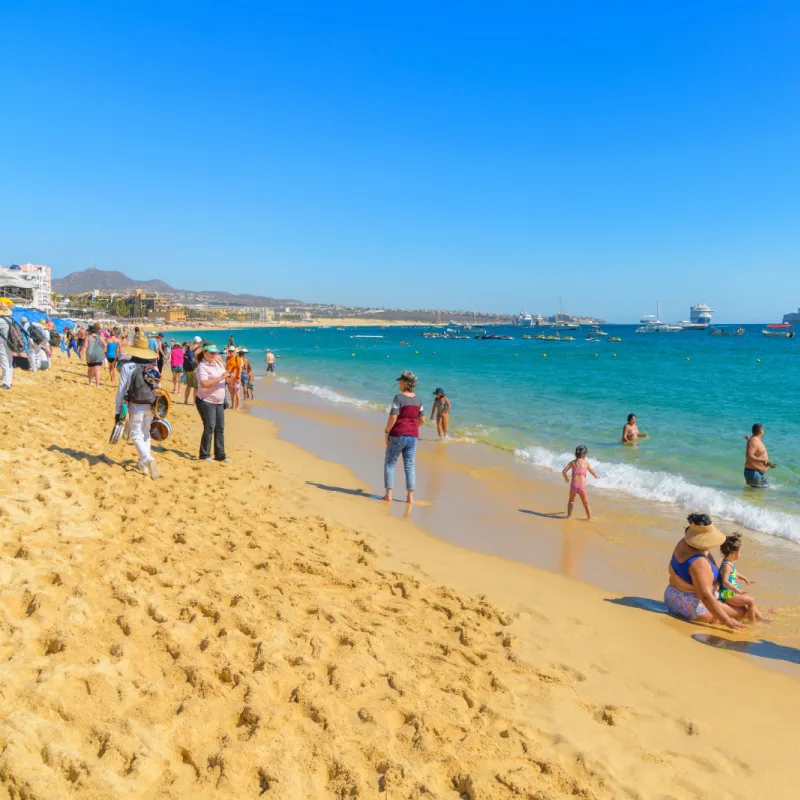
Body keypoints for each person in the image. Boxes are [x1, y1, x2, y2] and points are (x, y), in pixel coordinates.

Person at [664, 513, 747, 629]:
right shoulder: (699, 562)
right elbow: (706, 597)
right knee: (742, 611)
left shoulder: (685, 542)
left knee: (737, 600)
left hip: (671, 595)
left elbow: (710, 566)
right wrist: (726, 620)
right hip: (691, 605)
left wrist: (725, 576)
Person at [114, 334, 162, 479]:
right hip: (150, 404)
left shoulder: (127, 366)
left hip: (136, 404)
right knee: (146, 434)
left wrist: (118, 411)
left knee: (135, 434)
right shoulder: (152, 366)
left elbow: (121, 390)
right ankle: (143, 466)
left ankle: (148, 460)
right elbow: (158, 386)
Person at [383, 371, 424, 504]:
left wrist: (387, 431)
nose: (399, 384)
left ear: (406, 383)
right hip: (413, 436)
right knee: (410, 465)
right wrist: (412, 427)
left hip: (398, 434)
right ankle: (410, 497)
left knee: (390, 463)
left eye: (400, 381)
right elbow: (422, 419)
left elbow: (393, 417)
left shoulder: (398, 398)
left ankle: (388, 494)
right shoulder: (418, 400)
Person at [718, 533, 770, 622]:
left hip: (730, 593)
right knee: (751, 601)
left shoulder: (728, 562)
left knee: (748, 599)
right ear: (733, 553)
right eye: (739, 551)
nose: (740, 553)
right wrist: (737, 591)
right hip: (728, 595)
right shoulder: (727, 566)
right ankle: (752, 622)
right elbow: (725, 582)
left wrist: (745, 579)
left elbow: (734, 573)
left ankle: (760, 617)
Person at [196, 344, 230, 462]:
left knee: (220, 427)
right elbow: (204, 383)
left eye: (215, 353)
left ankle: (220, 455)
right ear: (205, 353)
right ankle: (204, 454)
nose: (214, 355)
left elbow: (226, 377)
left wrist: (231, 377)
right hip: (206, 400)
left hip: (219, 401)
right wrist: (220, 378)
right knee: (210, 426)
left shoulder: (219, 363)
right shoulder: (202, 366)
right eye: (211, 353)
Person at [562, 445, 599, 520]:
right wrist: (596, 476)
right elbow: (592, 472)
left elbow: (564, 471)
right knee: (585, 503)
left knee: (571, 501)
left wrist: (566, 478)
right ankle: (589, 518)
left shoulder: (573, 462)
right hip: (582, 486)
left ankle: (569, 516)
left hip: (574, 485)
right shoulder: (586, 463)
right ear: (584, 454)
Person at [184, 335, 203, 405]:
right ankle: (194, 402)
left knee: (188, 386)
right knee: (196, 387)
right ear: (199, 342)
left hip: (188, 369)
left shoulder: (188, 347)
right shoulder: (199, 349)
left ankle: (185, 400)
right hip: (195, 369)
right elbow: (199, 360)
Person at [0, 305, 15, 389]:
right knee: (9, 362)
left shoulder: (1, 320)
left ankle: (6, 384)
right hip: (10, 343)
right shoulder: (10, 319)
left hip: (2, 344)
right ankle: (9, 381)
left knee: (4, 362)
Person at [225, 346, 243, 410]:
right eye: (230, 351)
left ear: (235, 351)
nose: (231, 352)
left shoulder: (237, 358)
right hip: (229, 379)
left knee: (237, 393)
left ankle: (237, 407)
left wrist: (239, 376)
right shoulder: (227, 358)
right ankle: (233, 406)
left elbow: (240, 368)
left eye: (232, 351)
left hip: (236, 379)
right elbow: (226, 368)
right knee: (232, 393)